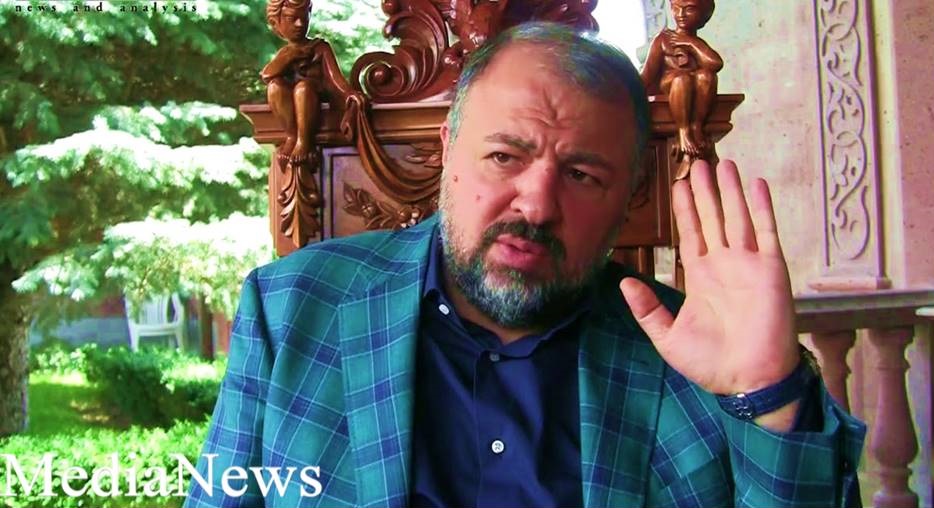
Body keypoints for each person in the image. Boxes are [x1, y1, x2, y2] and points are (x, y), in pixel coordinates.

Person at [186, 22, 865, 508]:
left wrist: (769, 396)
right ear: (448, 150)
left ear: (630, 195)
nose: (536, 205)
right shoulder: (292, 307)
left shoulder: (699, 356)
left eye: (582, 174)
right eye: (504, 156)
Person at [261, 0, 354, 166]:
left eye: (304, 18)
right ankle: (292, 136)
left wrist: (351, 94)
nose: (300, 24)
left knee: (303, 88)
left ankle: (304, 141)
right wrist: (289, 57)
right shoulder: (285, 52)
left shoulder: (320, 47)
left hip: (310, 98)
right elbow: (267, 75)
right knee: (274, 87)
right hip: (293, 105)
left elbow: (336, 79)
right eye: (292, 19)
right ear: (276, 23)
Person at [639, 0, 723, 161]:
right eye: (676, 8)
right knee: (682, 79)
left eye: (689, 9)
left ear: (703, 15)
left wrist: (690, 43)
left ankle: (696, 126)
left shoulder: (697, 43)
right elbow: (647, 75)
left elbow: (715, 64)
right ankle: (683, 131)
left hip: (694, 91)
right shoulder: (663, 39)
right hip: (672, 84)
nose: (681, 15)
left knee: (707, 76)